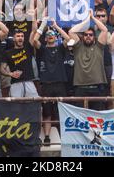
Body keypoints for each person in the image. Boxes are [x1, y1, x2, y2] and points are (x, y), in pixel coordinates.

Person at [33, 18, 70, 146]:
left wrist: (55, 26)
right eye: (48, 35)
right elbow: (34, 40)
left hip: (60, 83)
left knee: (63, 111)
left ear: (55, 37)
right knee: (47, 113)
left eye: (52, 35)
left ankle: (65, 135)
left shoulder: (60, 48)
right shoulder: (42, 49)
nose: (50, 36)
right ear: (45, 38)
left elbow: (68, 39)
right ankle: (47, 137)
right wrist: (43, 25)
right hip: (47, 85)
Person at [68, 10, 109, 110]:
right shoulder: (77, 46)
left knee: (97, 117)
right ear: (82, 37)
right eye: (86, 35)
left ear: (94, 37)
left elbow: (104, 30)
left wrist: (93, 18)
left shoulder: (99, 46)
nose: (88, 37)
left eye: (91, 35)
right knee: (81, 118)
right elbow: (71, 32)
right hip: (80, 88)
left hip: (97, 88)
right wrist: (87, 20)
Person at [0, 27, 39, 98]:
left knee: (34, 104)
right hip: (15, 84)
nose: (20, 38)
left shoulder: (28, 48)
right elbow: (2, 69)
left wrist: (34, 17)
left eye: (22, 36)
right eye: (18, 36)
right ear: (14, 39)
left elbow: (34, 31)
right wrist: (10, 74)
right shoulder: (7, 53)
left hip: (29, 82)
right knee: (15, 106)